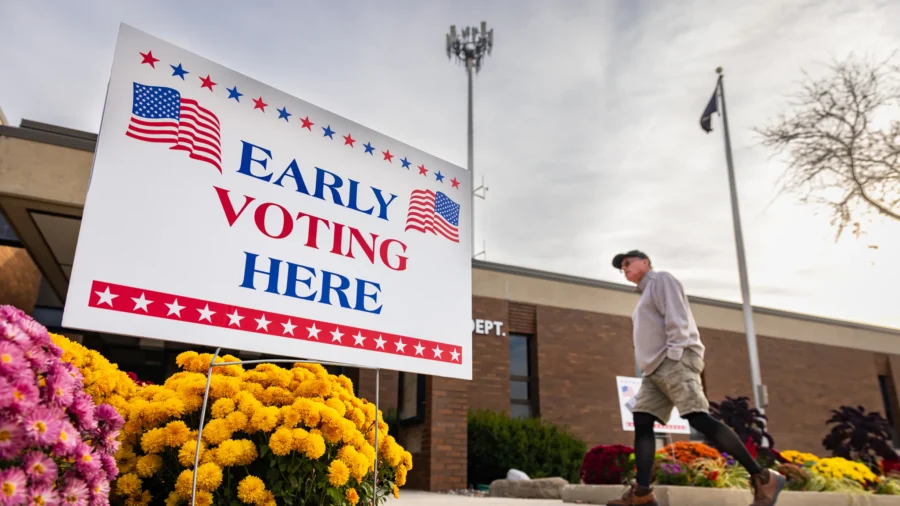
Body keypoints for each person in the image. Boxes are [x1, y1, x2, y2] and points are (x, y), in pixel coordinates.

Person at [606, 250, 785, 506]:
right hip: (655, 369)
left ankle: (763, 476)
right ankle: (643, 494)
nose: (624, 269)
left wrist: (676, 353)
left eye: (627, 263)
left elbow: (676, 316)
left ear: (645, 263)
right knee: (642, 421)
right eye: (621, 267)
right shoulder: (645, 294)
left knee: (697, 416)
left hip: (672, 359)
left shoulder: (660, 280)